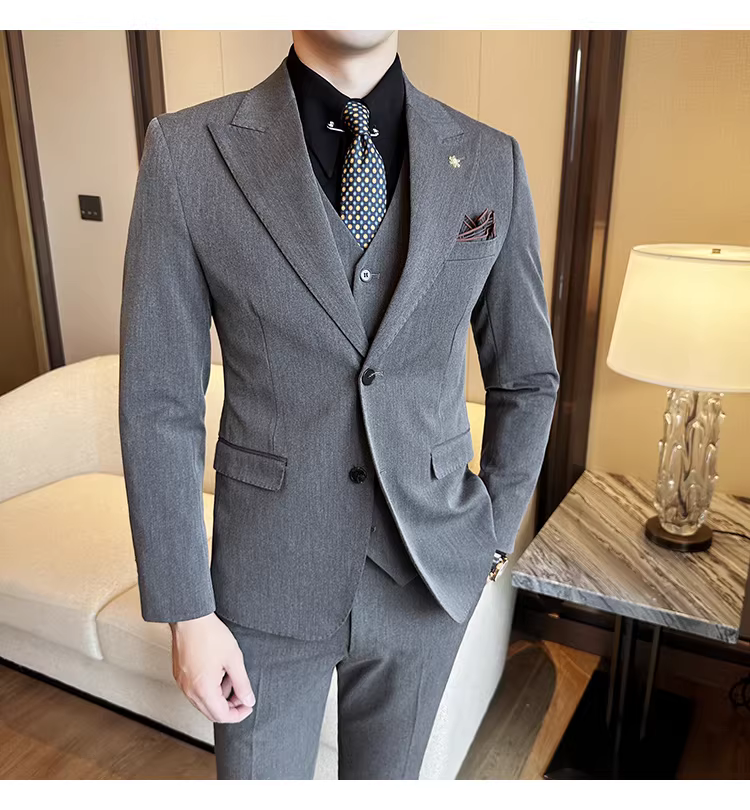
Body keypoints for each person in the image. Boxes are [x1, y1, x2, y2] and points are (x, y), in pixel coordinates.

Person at [119, 29, 560, 780]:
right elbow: (159, 401)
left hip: (424, 578)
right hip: (264, 584)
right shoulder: (187, 153)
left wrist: (487, 537)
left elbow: (526, 378)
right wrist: (187, 609)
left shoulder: (491, 160)